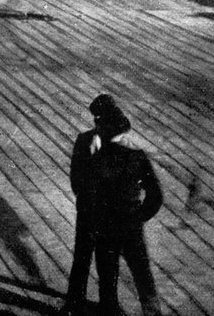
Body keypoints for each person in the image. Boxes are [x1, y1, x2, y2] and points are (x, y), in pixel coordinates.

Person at [89, 102, 163, 316]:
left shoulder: (97, 159)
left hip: (106, 227)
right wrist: (139, 216)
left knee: (107, 273)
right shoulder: (137, 157)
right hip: (131, 224)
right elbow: (155, 196)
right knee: (142, 272)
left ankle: (110, 310)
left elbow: (89, 194)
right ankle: (152, 311)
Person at [59, 93, 118, 316]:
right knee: (83, 258)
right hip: (90, 210)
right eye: (97, 119)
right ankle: (76, 302)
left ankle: (108, 305)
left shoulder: (119, 145)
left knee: (107, 260)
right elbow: (75, 176)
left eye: (102, 118)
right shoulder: (84, 140)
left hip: (107, 212)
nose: (99, 122)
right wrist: (85, 199)